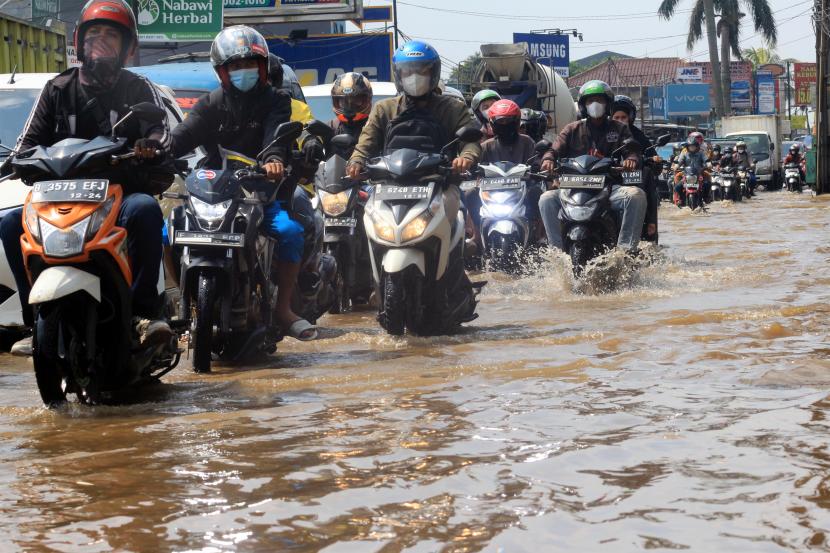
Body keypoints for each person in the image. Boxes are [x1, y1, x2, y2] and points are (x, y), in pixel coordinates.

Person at [0, 0, 175, 356]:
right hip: (60, 198)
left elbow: (161, 132)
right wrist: (20, 161)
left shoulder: (138, 89)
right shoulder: (57, 88)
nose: (101, 40)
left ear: (127, 47)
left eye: (111, 35)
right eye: (95, 33)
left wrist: (149, 148)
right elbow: (27, 142)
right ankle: (34, 321)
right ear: (79, 42)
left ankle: (143, 314)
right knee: (9, 223)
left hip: (118, 195)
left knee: (145, 211)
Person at [170, 25, 318, 341]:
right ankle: (179, 308)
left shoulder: (276, 100)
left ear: (262, 67)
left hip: (258, 192)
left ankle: (283, 309)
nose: (243, 72)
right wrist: (158, 151)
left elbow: (276, 135)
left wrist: (274, 161)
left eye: (249, 65)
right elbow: (184, 135)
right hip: (213, 192)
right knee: (166, 230)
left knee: (291, 233)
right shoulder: (211, 103)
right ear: (223, 71)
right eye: (236, 66)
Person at [346, 40, 480, 178]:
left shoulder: (453, 108)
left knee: (457, 199)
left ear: (433, 73)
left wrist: (466, 157)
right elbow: (366, 144)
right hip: (388, 184)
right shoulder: (384, 108)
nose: (414, 77)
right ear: (399, 75)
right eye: (408, 71)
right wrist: (357, 161)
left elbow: (471, 142)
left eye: (422, 71)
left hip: (442, 183)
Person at [538, 80, 645, 253]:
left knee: (636, 195)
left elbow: (631, 150)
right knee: (546, 199)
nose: (595, 105)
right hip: (571, 188)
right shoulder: (571, 129)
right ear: (582, 105)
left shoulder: (619, 129)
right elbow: (554, 148)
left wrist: (631, 159)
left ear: (608, 104)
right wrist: (549, 159)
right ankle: (556, 253)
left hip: (608, 188)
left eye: (600, 100)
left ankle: (626, 250)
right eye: (590, 101)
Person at [465, 99, 540, 249]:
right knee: (470, 193)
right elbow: (475, 169)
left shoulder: (527, 142)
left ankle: (537, 234)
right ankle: (478, 236)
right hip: (492, 193)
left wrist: (536, 171)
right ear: (493, 124)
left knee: (538, 192)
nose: (505, 125)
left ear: (517, 122)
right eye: (501, 122)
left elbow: (536, 164)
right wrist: (471, 172)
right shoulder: (486, 146)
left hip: (521, 191)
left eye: (509, 121)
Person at [610, 95, 658, 239]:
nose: (620, 121)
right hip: (608, 178)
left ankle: (650, 225)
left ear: (630, 117)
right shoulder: (604, 133)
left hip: (635, 176)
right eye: (616, 117)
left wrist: (655, 160)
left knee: (648, 174)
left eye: (623, 117)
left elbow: (651, 154)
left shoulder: (638, 135)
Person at [327, 71, 373, 158]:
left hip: (372, 170)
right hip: (334, 171)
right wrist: (312, 141)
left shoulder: (376, 126)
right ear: (336, 102)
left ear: (368, 100)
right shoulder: (331, 127)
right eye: (343, 102)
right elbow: (313, 134)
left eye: (356, 101)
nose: (349, 106)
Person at [672, 136, 707, 206]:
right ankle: (680, 199)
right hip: (686, 175)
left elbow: (705, 160)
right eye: (690, 146)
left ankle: (705, 198)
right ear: (687, 147)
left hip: (699, 174)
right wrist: (676, 166)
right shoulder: (684, 153)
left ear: (696, 146)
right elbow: (679, 161)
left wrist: (708, 164)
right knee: (677, 186)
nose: (692, 148)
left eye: (693, 146)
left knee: (707, 183)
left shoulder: (701, 153)